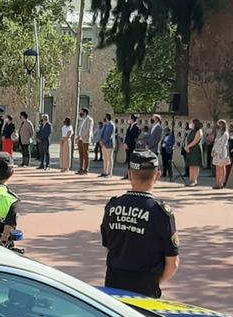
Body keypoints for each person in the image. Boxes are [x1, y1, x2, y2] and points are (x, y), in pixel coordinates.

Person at [100, 150, 180, 298]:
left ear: (130, 174)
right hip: (145, 289)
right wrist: (154, 282)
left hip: (113, 287)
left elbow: (108, 247)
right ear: (157, 176)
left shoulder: (112, 207)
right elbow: (173, 263)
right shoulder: (161, 214)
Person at [184, 119, 205, 187]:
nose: (191, 124)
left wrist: (188, 146)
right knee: (191, 165)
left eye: (192, 123)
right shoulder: (192, 131)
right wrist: (186, 147)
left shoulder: (199, 131)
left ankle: (194, 180)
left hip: (196, 149)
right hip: (190, 149)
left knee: (195, 165)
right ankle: (191, 180)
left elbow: (195, 141)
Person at [210, 120, 231, 189]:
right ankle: (217, 182)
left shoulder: (226, 134)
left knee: (222, 167)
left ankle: (221, 183)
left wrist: (217, 152)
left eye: (221, 124)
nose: (220, 126)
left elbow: (223, 144)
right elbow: (215, 142)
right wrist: (213, 151)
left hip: (222, 152)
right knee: (217, 168)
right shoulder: (218, 133)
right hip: (216, 152)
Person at [76, 108, 93, 174]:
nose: (81, 113)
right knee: (81, 154)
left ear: (85, 113)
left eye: (82, 112)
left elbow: (88, 130)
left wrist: (82, 136)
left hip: (85, 139)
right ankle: (81, 168)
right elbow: (79, 128)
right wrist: (78, 136)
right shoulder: (81, 120)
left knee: (86, 154)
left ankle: (86, 169)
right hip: (80, 139)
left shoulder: (90, 120)